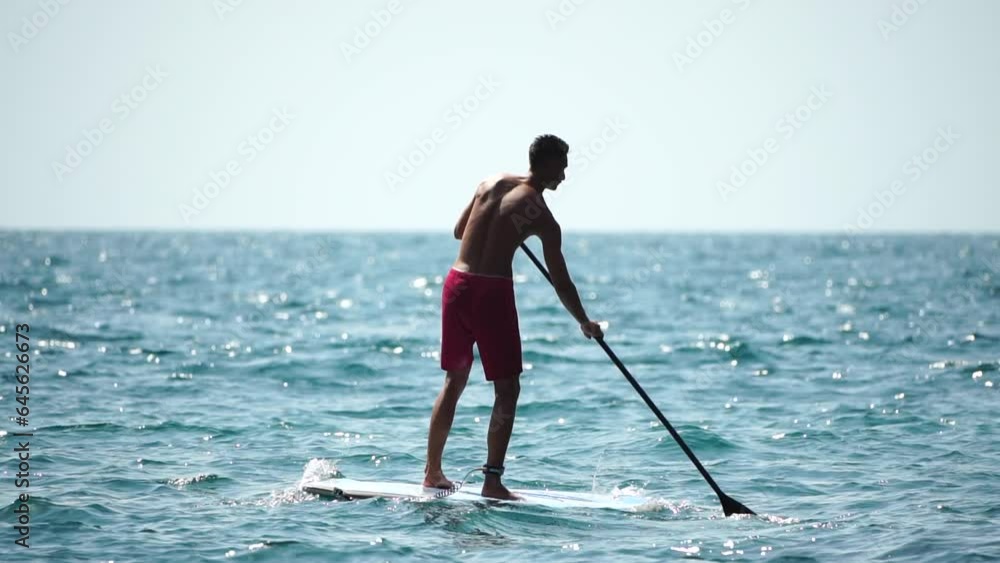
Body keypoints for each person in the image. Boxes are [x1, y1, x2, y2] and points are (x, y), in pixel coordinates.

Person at [423, 134, 605, 500]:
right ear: (549, 164)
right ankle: (492, 481)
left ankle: (432, 473)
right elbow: (561, 281)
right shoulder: (543, 216)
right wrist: (584, 321)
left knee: (453, 381)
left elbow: (460, 231)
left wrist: (501, 230)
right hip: (490, 296)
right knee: (507, 390)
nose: (564, 178)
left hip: (456, 286)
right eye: (563, 168)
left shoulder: (489, 183)